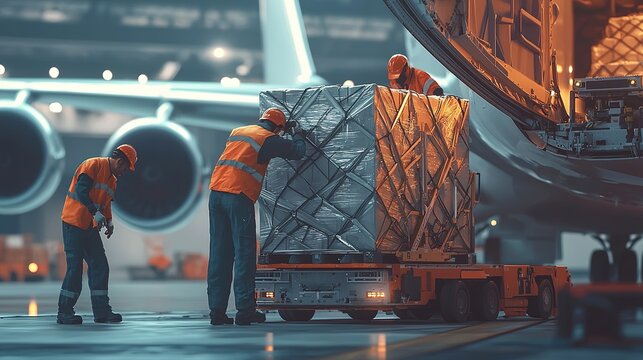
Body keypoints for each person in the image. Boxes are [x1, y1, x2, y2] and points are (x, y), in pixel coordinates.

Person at [207, 107, 306, 325]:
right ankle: (244, 311)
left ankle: (217, 312)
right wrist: (298, 132)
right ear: (278, 128)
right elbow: (298, 151)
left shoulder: (238, 131)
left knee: (219, 254)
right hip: (238, 196)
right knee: (244, 254)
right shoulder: (268, 139)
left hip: (216, 194)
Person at [57, 144, 138, 325]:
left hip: (89, 226)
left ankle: (101, 312)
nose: (125, 172)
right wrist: (95, 212)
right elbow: (81, 191)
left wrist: (108, 222)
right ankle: (64, 312)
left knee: (100, 265)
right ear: (119, 161)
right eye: (125, 167)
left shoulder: (112, 180)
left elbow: (106, 203)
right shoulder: (92, 165)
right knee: (75, 269)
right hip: (74, 223)